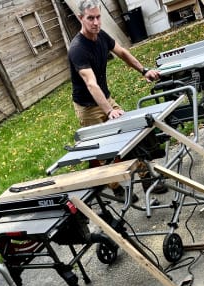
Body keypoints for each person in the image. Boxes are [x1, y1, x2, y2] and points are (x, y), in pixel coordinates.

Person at [68, 0, 164, 200]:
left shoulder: (101, 35)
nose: (95, 22)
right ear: (80, 18)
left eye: (98, 17)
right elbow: (91, 83)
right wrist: (109, 111)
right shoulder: (77, 49)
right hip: (88, 108)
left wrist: (144, 70)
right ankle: (116, 189)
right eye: (90, 18)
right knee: (103, 152)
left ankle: (147, 179)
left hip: (106, 98)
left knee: (130, 136)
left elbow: (122, 52)